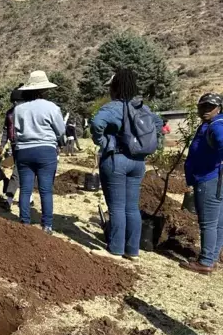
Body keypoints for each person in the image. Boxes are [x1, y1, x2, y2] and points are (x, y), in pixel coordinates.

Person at [90, 68, 163, 261]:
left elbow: (97, 123)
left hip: (116, 159)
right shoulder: (142, 107)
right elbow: (158, 123)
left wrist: (103, 142)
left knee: (116, 207)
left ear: (114, 88)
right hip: (138, 162)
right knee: (132, 207)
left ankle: (115, 249)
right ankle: (132, 251)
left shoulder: (113, 107)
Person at [14, 71, 66, 234]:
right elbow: (61, 130)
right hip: (46, 151)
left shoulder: (19, 109)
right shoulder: (52, 107)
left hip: (23, 151)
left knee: (25, 189)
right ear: (44, 90)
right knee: (45, 190)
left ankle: (24, 222)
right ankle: (47, 225)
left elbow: (16, 130)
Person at [181, 93, 223, 274]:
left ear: (219, 108)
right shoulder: (210, 124)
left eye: (210, 107)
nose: (206, 110)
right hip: (215, 177)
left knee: (208, 222)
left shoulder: (216, 126)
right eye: (203, 106)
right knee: (219, 222)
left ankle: (205, 261)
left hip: (209, 178)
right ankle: (211, 259)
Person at [0, 85, 25, 210]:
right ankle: (26, 199)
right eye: (14, 102)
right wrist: (2, 145)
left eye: (17, 101)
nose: (15, 104)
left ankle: (8, 200)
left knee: (17, 172)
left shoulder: (27, 112)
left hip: (24, 145)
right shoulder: (9, 113)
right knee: (21, 173)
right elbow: (5, 130)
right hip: (14, 145)